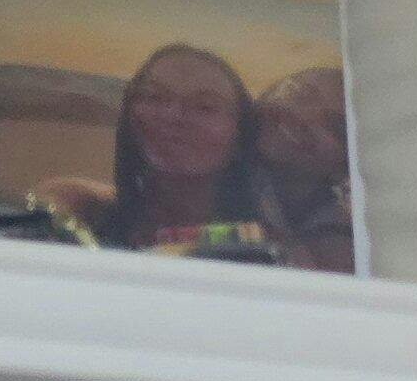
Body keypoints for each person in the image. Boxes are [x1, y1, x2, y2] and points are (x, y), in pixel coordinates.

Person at [80, 43, 265, 252]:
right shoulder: (81, 213)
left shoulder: (263, 244)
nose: (173, 115)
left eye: (205, 107)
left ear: (240, 133)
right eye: (154, 97)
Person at [251, 62, 354, 273]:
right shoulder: (199, 171)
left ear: (345, 166)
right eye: (300, 94)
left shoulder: (340, 239)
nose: (303, 116)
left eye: (337, 126)